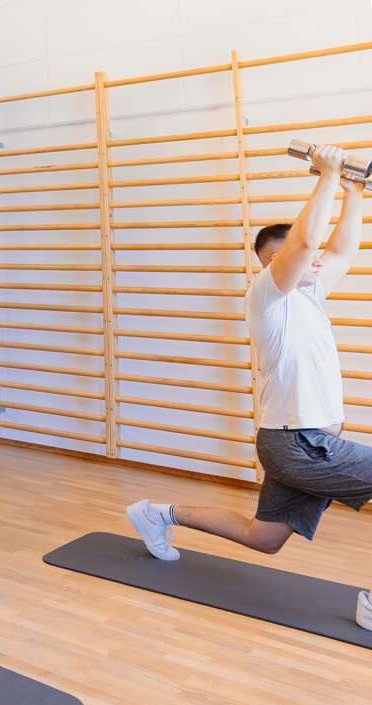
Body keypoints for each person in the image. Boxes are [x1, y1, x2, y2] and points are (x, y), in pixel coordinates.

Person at [126, 144, 372, 631]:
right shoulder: (266, 297)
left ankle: (156, 514)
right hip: (299, 445)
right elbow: (305, 243)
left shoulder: (311, 293)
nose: (315, 260)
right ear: (276, 262)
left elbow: (342, 249)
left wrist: (353, 190)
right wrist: (326, 176)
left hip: (297, 445)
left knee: (265, 538)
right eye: (304, 257)